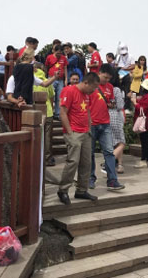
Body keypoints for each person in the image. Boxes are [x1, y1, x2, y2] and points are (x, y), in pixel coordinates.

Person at [57, 73, 100, 205]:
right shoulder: (69, 91)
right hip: (73, 132)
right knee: (73, 161)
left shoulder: (87, 94)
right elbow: (63, 112)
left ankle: (81, 190)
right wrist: (69, 132)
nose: (94, 90)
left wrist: (89, 126)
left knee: (86, 162)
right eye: (93, 87)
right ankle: (63, 190)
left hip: (85, 132)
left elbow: (87, 110)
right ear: (86, 83)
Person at [88, 64, 124, 191]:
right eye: (105, 77)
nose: (107, 80)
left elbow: (112, 102)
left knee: (109, 152)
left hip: (105, 123)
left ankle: (112, 180)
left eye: (109, 78)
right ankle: (90, 178)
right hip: (91, 124)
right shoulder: (90, 85)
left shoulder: (110, 87)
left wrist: (111, 103)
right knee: (90, 152)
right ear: (99, 73)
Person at [34, 63, 56, 166]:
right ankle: (47, 159)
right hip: (48, 112)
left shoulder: (31, 80)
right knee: (47, 137)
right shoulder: (48, 81)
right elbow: (51, 97)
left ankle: (35, 158)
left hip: (34, 112)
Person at [131, 86, 148, 168]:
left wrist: (135, 103)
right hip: (146, 121)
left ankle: (144, 160)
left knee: (145, 140)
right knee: (145, 140)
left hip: (145, 121)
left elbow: (142, 108)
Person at [108, 69, 126, 174]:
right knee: (120, 142)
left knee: (109, 142)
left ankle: (111, 164)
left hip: (105, 116)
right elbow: (120, 106)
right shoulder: (116, 89)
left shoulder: (103, 89)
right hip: (115, 116)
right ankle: (119, 164)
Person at [45, 45, 68, 120]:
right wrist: (46, 78)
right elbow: (46, 67)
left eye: (60, 53)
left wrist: (66, 79)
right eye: (57, 53)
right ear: (54, 51)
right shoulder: (49, 57)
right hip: (51, 78)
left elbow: (65, 68)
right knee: (51, 96)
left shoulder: (63, 58)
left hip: (60, 80)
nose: (59, 54)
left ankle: (57, 114)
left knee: (59, 96)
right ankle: (50, 112)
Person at [115, 44, 135, 109]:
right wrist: (118, 68)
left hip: (127, 74)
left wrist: (125, 68)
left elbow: (133, 66)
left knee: (127, 90)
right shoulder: (118, 57)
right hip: (119, 74)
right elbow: (116, 65)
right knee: (118, 90)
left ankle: (127, 107)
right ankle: (118, 104)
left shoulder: (131, 56)